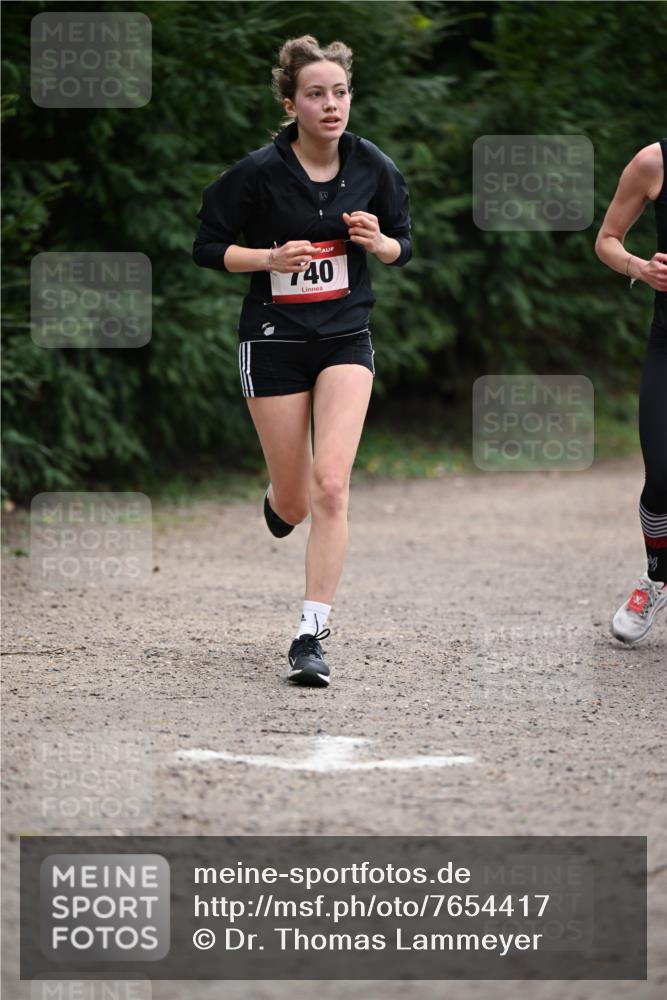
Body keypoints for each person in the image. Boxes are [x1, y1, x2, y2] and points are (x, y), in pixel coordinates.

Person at [192, 35, 412, 685]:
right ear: (291, 102)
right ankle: (279, 502)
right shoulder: (258, 172)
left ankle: (310, 636)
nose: (330, 104)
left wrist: (380, 243)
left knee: (332, 486)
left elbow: (403, 243)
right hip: (273, 338)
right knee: (294, 501)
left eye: (339, 92)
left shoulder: (372, 165)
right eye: (315, 94)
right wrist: (266, 259)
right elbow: (207, 247)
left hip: (345, 336)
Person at [595, 138, 667, 645]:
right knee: (661, 475)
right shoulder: (653, 162)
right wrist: (640, 268)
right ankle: (657, 577)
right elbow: (607, 240)